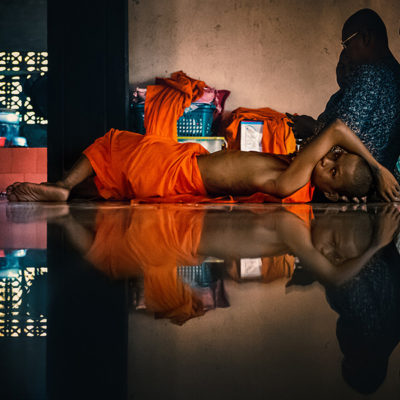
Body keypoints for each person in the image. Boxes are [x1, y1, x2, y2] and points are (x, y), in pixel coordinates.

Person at [5, 119, 400, 203]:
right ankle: (66, 191)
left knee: (112, 142)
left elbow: (336, 129)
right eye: (335, 161)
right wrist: (374, 166)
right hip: (185, 166)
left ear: (331, 194)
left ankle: (62, 187)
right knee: (112, 181)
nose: (326, 164)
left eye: (333, 174)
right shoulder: (294, 167)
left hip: (180, 171)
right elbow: (330, 137)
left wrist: (377, 167)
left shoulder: (290, 182)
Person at [287, 8, 400, 185]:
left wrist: (311, 127)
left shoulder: (371, 74)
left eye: (346, 43)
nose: (346, 51)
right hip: (362, 183)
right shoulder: (393, 74)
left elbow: (338, 134)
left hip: (346, 183)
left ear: (366, 37)